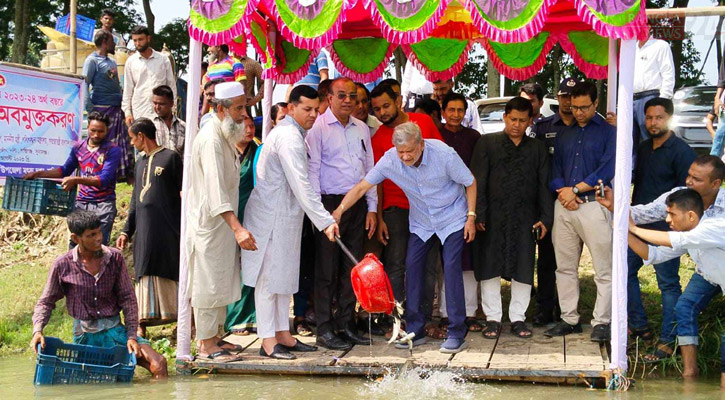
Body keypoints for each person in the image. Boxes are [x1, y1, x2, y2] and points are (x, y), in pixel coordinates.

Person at [333, 122, 477, 354]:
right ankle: (416, 329)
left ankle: (456, 332)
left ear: (421, 144)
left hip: (452, 216)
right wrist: (339, 211)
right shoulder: (391, 159)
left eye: (410, 151)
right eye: (401, 152)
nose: (406, 156)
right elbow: (362, 187)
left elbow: (470, 182)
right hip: (422, 221)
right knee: (412, 267)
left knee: (451, 268)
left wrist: (470, 216)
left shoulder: (443, 154)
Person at [242, 85, 340, 360]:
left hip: (286, 217)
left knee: (284, 277)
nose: (312, 114)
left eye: (315, 109)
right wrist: (325, 221)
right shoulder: (289, 137)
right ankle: (268, 340)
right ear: (290, 108)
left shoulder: (297, 134)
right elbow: (302, 184)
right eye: (306, 109)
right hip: (270, 218)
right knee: (268, 280)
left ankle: (283, 334)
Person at [31, 210, 168, 378]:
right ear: (76, 239)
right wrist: (37, 330)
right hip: (86, 337)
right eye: (91, 235)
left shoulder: (115, 258)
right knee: (100, 380)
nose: (98, 238)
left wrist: (131, 336)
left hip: (116, 331)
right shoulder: (62, 265)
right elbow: (46, 302)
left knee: (159, 363)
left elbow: (128, 299)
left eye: (99, 232)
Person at [185, 81, 256, 362]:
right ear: (220, 109)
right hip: (210, 223)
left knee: (221, 279)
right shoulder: (211, 139)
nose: (243, 114)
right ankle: (205, 344)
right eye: (238, 108)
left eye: (244, 107)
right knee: (207, 282)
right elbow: (215, 191)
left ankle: (215, 338)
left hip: (222, 223)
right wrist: (237, 228)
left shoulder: (225, 134)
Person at [471, 97, 552, 340]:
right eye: (512, 119)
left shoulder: (536, 148)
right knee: (489, 266)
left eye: (522, 120)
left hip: (525, 216)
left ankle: (518, 318)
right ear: (504, 117)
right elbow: (478, 181)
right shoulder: (487, 143)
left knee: (524, 266)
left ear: (530, 120)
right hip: (492, 216)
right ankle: (493, 318)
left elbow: (543, 185)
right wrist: (478, 213)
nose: (516, 125)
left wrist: (545, 218)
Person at [626, 188, 725, 385]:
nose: (667, 220)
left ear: (690, 216)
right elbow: (653, 255)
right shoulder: (689, 233)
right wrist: (623, 231)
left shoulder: (713, 227)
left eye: (672, 214)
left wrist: (634, 228)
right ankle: (690, 377)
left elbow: (676, 240)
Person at [624, 97, 697, 359]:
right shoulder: (643, 148)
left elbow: (687, 192)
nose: (653, 122)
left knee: (667, 283)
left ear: (669, 118)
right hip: (637, 225)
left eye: (659, 117)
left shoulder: (682, 151)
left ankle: (667, 341)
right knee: (625, 273)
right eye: (649, 118)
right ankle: (638, 325)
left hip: (667, 229)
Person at [306, 77, 377, 350]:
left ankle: (346, 323)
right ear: (329, 98)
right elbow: (312, 171)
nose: (348, 100)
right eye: (342, 95)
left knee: (352, 268)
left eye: (353, 96)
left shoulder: (361, 128)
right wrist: (320, 215)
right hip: (328, 205)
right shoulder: (318, 129)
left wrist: (372, 208)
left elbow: (370, 171)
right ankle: (324, 329)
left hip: (356, 204)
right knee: (326, 270)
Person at [544, 81, 615, 342]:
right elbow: (556, 168)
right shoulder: (564, 132)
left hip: (594, 204)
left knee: (603, 268)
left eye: (585, 107)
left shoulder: (609, 132)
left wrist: (574, 190)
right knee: (564, 266)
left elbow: (608, 169)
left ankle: (602, 322)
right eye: (574, 107)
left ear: (596, 104)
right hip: (564, 204)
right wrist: (564, 191)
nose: (579, 112)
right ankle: (569, 318)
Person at [369, 83, 442, 311]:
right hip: (395, 211)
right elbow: (376, 183)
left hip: (427, 208)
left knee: (428, 264)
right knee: (396, 265)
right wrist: (380, 217)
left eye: (386, 106)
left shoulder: (424, 123)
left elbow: (442, 159)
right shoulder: (378, 138)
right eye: (377, 109)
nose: (382, 113)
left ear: (399, 101)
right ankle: (398, 319)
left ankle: (425, 318)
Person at [116, 119, 182, 337]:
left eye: (133, 138)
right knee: (143, 268)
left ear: (142, 136)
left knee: (170, 267)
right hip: (144, 229)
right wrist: (126, 230)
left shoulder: (171, 158)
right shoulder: (140, 163)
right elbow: (136, 200)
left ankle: (181, 321)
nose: (132, 142)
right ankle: (140, 323)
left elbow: (184, 193)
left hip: (168, 227)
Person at [23, 112, 120, 246]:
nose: (96, 135)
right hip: (81, 203)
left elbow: (104, 179)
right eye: (93, 130)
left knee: (99, 247)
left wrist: (76, 180)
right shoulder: (78, 148)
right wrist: (39, 173)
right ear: (88, 128)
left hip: (103, 204)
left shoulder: (112, 150)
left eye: (100, 131)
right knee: (76, 244)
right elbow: (64, 170)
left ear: (107, 130)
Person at [528, 77, 576, 326]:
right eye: (564, 96)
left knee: (569, 259)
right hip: (549, 200)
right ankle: (545, 307)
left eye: (572, 96)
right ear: (557, 98)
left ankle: (567, 308)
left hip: (576, 201)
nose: (568, 102)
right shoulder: (544, 125)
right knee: (546, 257)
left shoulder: (587, 125)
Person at [437, 92, 483, 332]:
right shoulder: (435, 136)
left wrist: (476, 212)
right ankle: (446, 312)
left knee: (468, 260)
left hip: (467, 205)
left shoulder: (474, 137)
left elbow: (477, 175)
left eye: (460, 110)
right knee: (447, 260)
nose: (455, 115)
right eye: (451, 110)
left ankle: (471, 312)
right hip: (440, 205)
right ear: (443, 112)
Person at [224, 115, 260, 337]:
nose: (249, 129)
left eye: (251, 125)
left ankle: (252, 316)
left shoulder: (258, 152)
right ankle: (234, 318)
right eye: (244, 125)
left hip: (253, 215)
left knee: (251, 265)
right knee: (231, 267)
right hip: (229, 217)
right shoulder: (225, 152)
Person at [83, 30, 134, 182]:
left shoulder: (111, 62)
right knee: (103, 144)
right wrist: (91, 109)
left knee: (119, 144)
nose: (114, 45)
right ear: (105, 42)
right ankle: (101, 173)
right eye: (112, 41)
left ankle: (120, 173)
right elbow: (84, 85)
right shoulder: (92, 61)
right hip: (102, 110)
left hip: (116, 109)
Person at [123, 25, 176, 125]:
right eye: (135, 40)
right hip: (140, 111)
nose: (137, 43)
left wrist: (173, 108)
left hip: (162, 111)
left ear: (148, 38)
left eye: (140, 39)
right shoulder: (131, 62)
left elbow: (171, 85)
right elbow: (128, 89)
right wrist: (127, 113)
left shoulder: (163, 59)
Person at [632, 36, 675, 148]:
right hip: (631, 98)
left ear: (649, 26)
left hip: (651, 97)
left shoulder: (660, 45)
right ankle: (633, 166)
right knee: (629, 141)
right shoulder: (631, 48)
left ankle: (654, 165)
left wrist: (662, 102)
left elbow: (668, 74)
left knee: (651, 139)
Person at [151, 85, 186, 157]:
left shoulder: (183, 127)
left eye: (161, 104)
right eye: (155, 103)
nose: (157, 107)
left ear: (171, 104)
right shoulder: (150, 125)